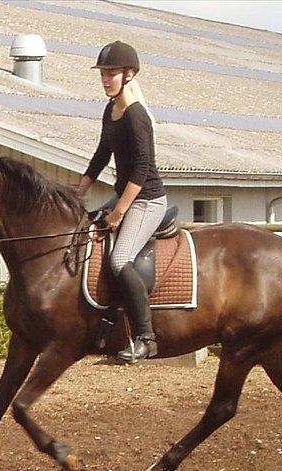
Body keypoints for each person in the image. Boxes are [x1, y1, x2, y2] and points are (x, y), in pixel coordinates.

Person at [77, 41, 168, 362]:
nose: (105, 78)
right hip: (124, 193)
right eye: (103, 73)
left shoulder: (137, 116)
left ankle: (146, 337)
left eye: (111, 73)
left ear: (129, 75)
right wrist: (80, 190)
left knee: (119, 260)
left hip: (147, 200)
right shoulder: (110, 110)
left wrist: (118, 212)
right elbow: (102, 153)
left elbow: (142, 171)